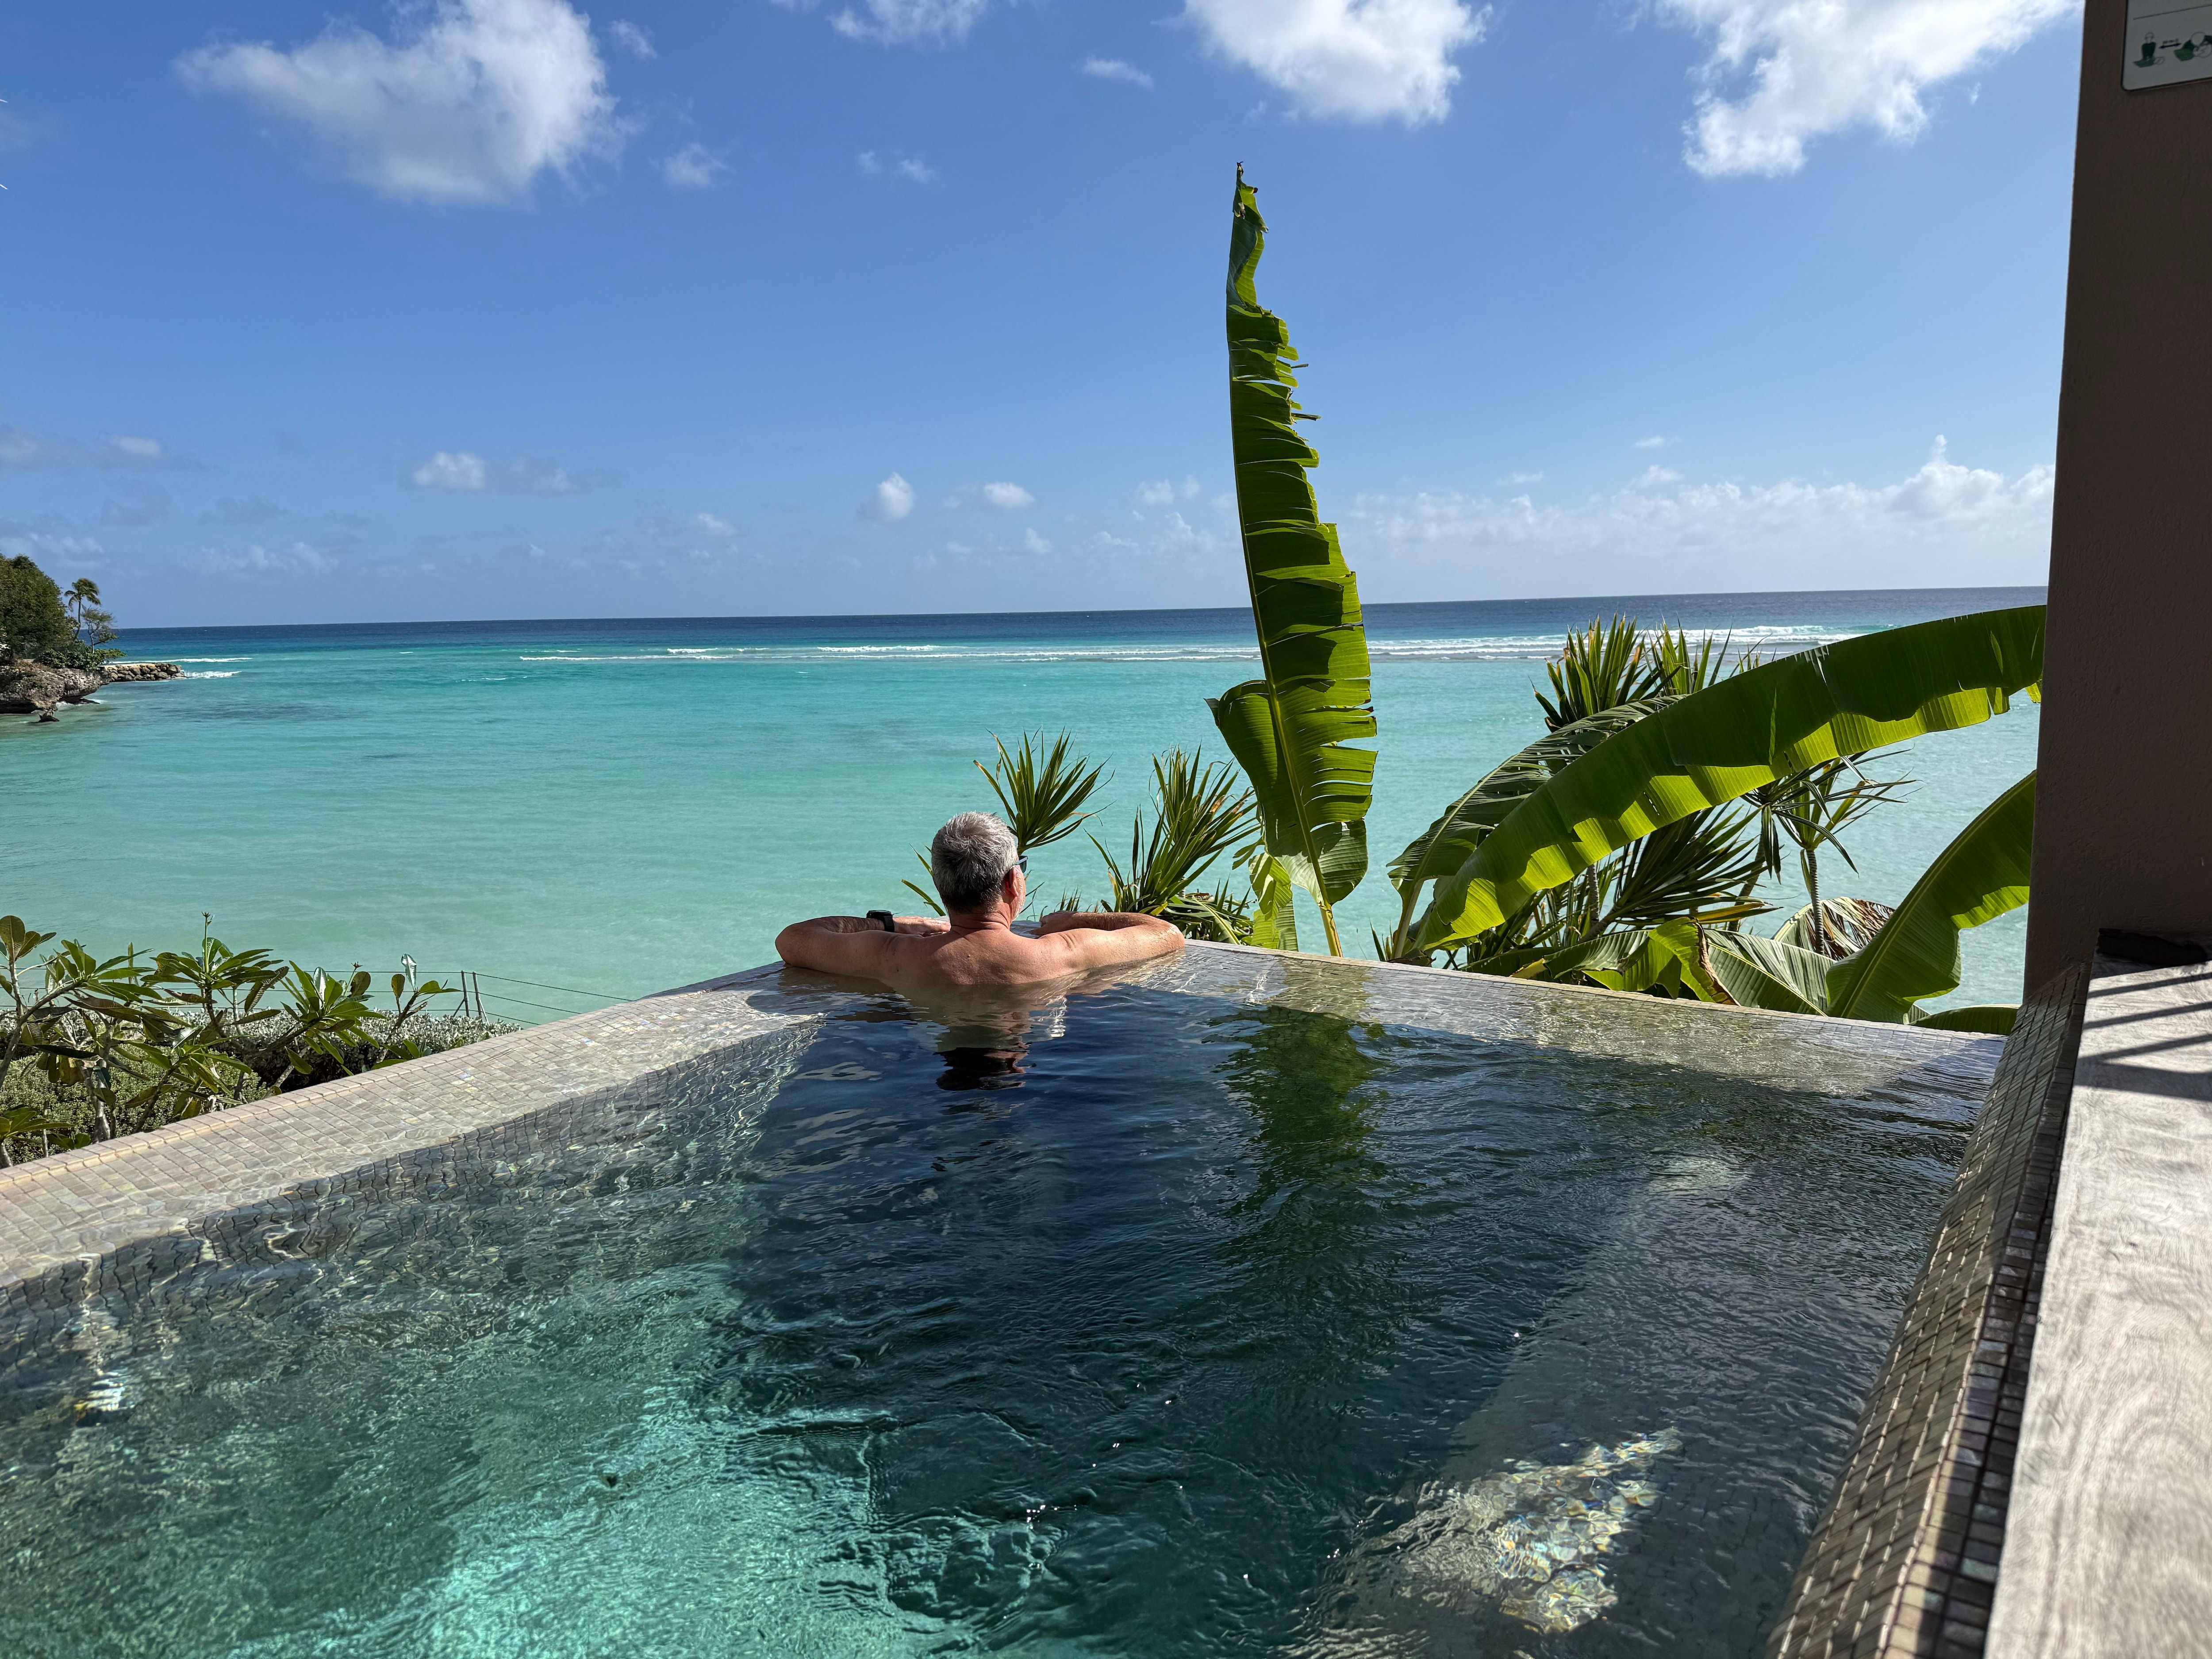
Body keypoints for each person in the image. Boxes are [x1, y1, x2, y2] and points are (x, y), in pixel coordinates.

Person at [775, 811, 1184, 989]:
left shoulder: (890, 956)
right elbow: (1165, 934)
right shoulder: (1062, 954)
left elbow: (794, 939)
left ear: (940, 885)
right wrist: (1074, 922)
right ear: (1012, 883)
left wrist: (894, 925)